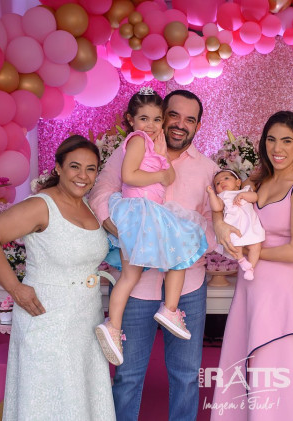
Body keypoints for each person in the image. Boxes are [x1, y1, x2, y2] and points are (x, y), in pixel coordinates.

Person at [88, 89, 218, 421]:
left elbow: (214, 223)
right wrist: (118, 228)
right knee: (128, 375)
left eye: (190, 119)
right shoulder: (131, 149)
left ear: (198, 126)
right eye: (174, 115)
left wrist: (180, 244)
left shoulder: (207, 169)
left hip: (187, 283)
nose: (180, 124)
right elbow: (101, 191)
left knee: (186, 376)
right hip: (138, 284)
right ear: (162, 115)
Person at [0, 136, 116, 420]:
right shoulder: (41, 205)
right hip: (46, 317)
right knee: (47, 396)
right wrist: (15, 288)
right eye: (74, 166)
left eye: (90, 169)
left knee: (80, 393)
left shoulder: (89, 205)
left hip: (86, 317)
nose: (83, 175)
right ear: (59, 168)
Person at [211, 111, 293, 420]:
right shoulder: (257, 180)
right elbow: (225, 205)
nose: (277, 148)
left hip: (280, 290)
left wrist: (252, 250)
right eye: (271, 140)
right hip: (249, 287)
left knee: (273, 370)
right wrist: (219, 225)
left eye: (286, 141)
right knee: (240, 363)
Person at [206, 168, 265, 280]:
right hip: (233, 226)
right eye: (217, 183)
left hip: (249, 226)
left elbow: (255, 197)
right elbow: (216, 208)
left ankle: (251, 268)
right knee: (235, 246)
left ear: (238, 182)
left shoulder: (246, 190)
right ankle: (241, 260)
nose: (221, 182)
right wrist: (211, 194)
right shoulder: (222, 196)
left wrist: (243, 195)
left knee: (256, 246)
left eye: (226, 178)